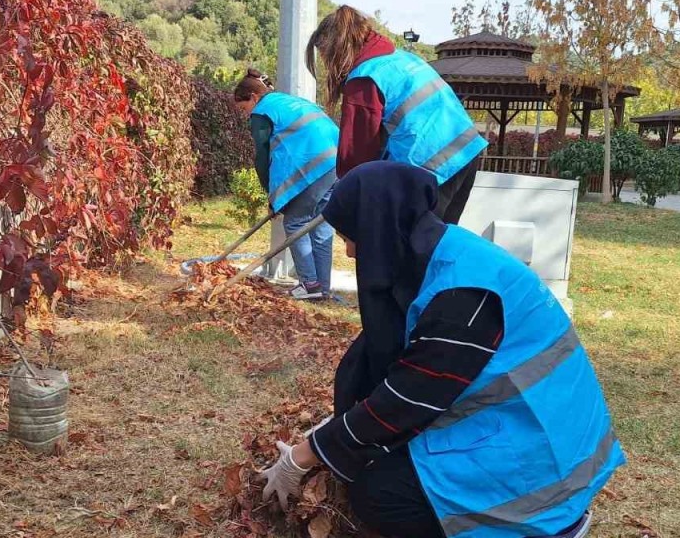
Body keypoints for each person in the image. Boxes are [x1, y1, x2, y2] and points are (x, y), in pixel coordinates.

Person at [261, 162, 623, 538]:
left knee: (377, 492)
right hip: (524, 431)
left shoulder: (462, 297)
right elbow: (408, 373)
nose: (351, 253)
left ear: (380, 228)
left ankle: (529, 530)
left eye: (352, 236)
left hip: (541, 475)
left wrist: (305, 455)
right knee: (374, 452)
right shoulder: (447, 251)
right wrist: (338, 433)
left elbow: (404, 402)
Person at [305, 6, 488, 224]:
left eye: (325, 56)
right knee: (437, 247)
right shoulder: (403, 59)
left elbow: (357, 157)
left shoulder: (364, 78)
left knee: (405, 250)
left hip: (432, 168)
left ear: (337, 48)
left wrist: (349, 206)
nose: (327, 64)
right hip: (466, 153)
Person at [234, 69, 339, 300]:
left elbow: (262, 157)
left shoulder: (262, 111)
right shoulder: (287, 101)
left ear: (253, 97)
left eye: (243, 108)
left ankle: (310, 285)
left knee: (295, 223)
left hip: (313, 164)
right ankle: (322, 288)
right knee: (319, 226)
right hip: (335, 162)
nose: (246, 114)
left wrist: (271, 196)